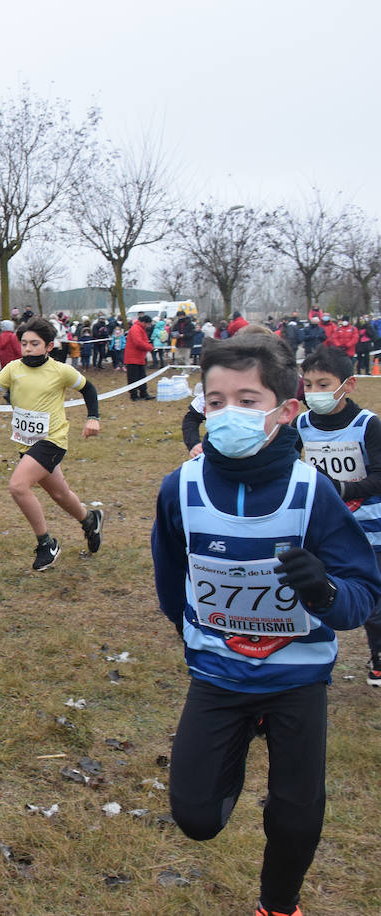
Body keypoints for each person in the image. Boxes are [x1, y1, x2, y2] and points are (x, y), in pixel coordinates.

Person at [151, 333, 381, 916]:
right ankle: (233, 745)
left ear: (286, 410)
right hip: (219, 676)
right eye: (217, 400)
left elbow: (363, 594)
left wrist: (325, 592)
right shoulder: (180, 488)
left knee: (297, 813)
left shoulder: (315, 494)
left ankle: (279, 904)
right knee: (196, 817)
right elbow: (171, 580)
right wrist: (203, 640)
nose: (229, 414)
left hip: (297, 681)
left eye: (248, 401)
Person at [0, 317, 103, 571]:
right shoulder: (13, 368)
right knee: (59, 493)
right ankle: (90, 520)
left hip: (52, 440)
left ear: (49, 346)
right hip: (26, 443)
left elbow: (89, 389)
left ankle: (47, 544)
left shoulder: (60, 370)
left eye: (35, 344)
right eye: (24, 344)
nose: (28, 348)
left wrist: (93, 418)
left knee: (18, 486)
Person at [294, 345, 381, 686]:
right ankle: (311, 659)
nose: (314, 393)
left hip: (370, 530)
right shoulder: (300, 424)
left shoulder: (368, 424)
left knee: (372, 599)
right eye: (309, 384)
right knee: (315, 591)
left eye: (324, 384)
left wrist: (340, 489)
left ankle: (378, 658)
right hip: (322, 529)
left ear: (349, 385)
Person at [125, 314, 154, 400]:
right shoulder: (135, 329)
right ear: (144, 322)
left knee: (142, 376)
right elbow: (138, 343)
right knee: (133, 377)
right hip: (133, 358)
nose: (149, 326)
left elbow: (142, 341)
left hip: (139, 357)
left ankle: (143, 393)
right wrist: (150, 347)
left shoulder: (141, 329)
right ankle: (133, 395)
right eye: (149, 324)